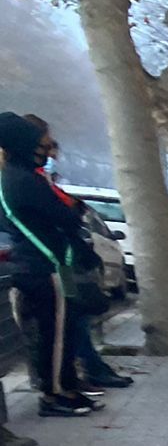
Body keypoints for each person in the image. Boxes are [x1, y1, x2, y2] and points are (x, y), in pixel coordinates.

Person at [0, 111, 94, 417]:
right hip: (42, 266)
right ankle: (54, 394)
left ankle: (67, 386)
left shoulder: (24, 177)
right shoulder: (21, 180)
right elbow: (64, 215)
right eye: (40, 144)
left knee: (63, 330)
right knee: (53, 333)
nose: (46, 150)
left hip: (50, 265)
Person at [24, 122, 131, 392]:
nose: (52, 153)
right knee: (68, 319)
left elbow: (68, 208)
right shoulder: (26, 180)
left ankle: (83, 369)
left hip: (64, 260)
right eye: (47, 146)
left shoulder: (38, 178)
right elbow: (61, 213)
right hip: (53, 263)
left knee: (75, 315)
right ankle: (78, 374)